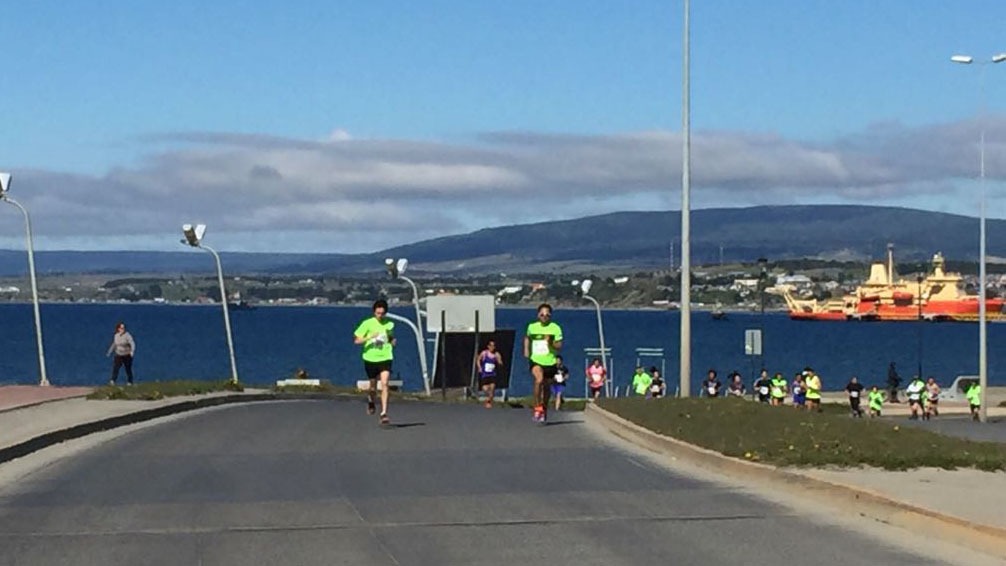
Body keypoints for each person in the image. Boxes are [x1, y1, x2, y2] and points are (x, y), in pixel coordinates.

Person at [353, 299, 396, 425]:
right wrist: (370, 337)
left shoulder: (389, 324)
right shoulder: (367, 324)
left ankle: (384, 413)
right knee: (373, 387)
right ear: (374, 312)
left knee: (385, 383)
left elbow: (390, 337)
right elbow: (356, 340)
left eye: (382, 313)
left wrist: (392, 341)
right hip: (370, 357)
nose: (380, 316)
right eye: (378, 313)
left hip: (385, 356)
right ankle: (371, 400)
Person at [524, 303, 563, 423]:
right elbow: (527, 337)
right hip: (536, 360)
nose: (544, 316)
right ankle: (537, 407)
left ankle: (544, 409)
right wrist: (526, 349)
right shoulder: (532, 327)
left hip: (550, 362)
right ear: (538, 315)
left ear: (550, 316)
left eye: (547, 315)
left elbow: (559, 346)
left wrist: (550, 342)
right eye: (542, 314)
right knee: (539, 379)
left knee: (546, 388)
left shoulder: (555, 328)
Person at [106, 321, 137, 386]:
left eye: (124, 328)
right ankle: (113, 380)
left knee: (128, 368)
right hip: (118, 354)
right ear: (118, 329)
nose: (123, 329)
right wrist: (110, 351)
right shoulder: (116, 335)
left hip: (126, 354)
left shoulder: (127, 335)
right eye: (122, 328)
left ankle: (130, 381)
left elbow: (132, 343)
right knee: (116, 367)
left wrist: (132, 351)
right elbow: (114, 344)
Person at [475, 339, 503, 409]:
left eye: (493, 346)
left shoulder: (496, 354)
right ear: (488, 346)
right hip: (485, 374)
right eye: (491, 345)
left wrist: (499, 362)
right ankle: (489, 398)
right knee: (485, 388)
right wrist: (479, 367)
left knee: (492, 387)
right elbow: (478, 359)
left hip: (492, 374)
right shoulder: (484, 353)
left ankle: (489, 402)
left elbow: (500, 362)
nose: (492, 347)